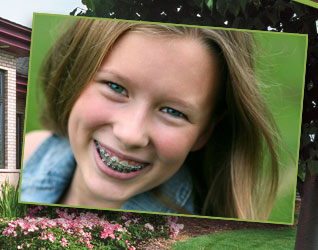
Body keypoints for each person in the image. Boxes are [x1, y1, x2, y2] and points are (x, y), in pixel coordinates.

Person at [20, 18, 280, 220]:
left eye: (173, 112)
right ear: (75, 76)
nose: (130, 134)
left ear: (204, 132)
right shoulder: (30, 154)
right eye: (116, 87)